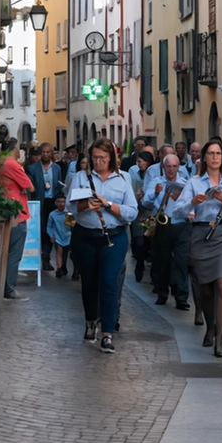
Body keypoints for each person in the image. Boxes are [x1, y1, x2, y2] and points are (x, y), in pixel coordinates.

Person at [69, 138, 138, 353]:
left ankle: (108, 332)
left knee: (109, 282)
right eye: (94, 158)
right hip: (86, 236)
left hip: (113, 237)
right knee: (89, 283)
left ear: (111, 158)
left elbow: (132, 212)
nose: (98, 161)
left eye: (102, 158)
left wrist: (108, 204)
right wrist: (85, 205)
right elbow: (69, 209)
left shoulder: (123, 178)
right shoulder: (80, 177)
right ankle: (91, 321)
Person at [186, 140, 222, 358]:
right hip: (201, 234)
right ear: (204, 157)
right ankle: (210, 326)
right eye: (210, 153)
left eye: (218, 153)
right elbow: (180, 211)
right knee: (206, 289)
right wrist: (193, 202)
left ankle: (219, 340)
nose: (214, 157)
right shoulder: (194, 182)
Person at [144, 153, 192, 309]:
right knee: (162, 260)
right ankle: (162, 292)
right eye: (168, 167)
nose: (171, 170)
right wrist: (156, 193)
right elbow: (145, 202)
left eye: (174, 167)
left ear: (179, 167)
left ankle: (182, 297)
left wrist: (180, 199)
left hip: (180, 224)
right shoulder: (156, 182)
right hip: (162, 224)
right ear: (163, 167)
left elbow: (191, 206)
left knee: (182, 261)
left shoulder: (185, 183)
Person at [0, 137, 34, 301]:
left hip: (2, 212)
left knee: (3, 253)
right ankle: (9, 290)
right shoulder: (12, 164)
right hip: (16, 213)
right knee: (13, 254)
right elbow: (30, 186)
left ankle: (2, 287)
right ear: (14, 148)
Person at [28, 143, 62, 272]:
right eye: (44, 152)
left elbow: (59, 184)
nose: (46, 154)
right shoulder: (33, 168)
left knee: (50, 230)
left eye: (48, 152)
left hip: (52, 202)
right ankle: (38, 256)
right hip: (39, 202)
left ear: (52, 153)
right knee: (40, 229)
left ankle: (46, 257)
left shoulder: (57, 168)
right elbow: (30, 185)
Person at [128, 150, 156, 282]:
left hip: (150, 210)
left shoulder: (154, 174)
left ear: (148, 162)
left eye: (140, 161)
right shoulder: (134, 173)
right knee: (138, 239)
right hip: (138, 209)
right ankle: (139, 263)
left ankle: (151, 268)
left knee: (150, 239)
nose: (138, 164)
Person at [46, 194, 73, 279]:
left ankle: (66, 267)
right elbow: (49, 226)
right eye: (59, 202)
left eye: (63, 202)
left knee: (67, 254)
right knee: (59, 251)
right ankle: (59, 269)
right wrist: (51, 235)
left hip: (68, 236)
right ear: (56, 203)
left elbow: (71, 227)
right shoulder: (52, 214)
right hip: (57, 236)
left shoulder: (68, 213)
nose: (61, 204)